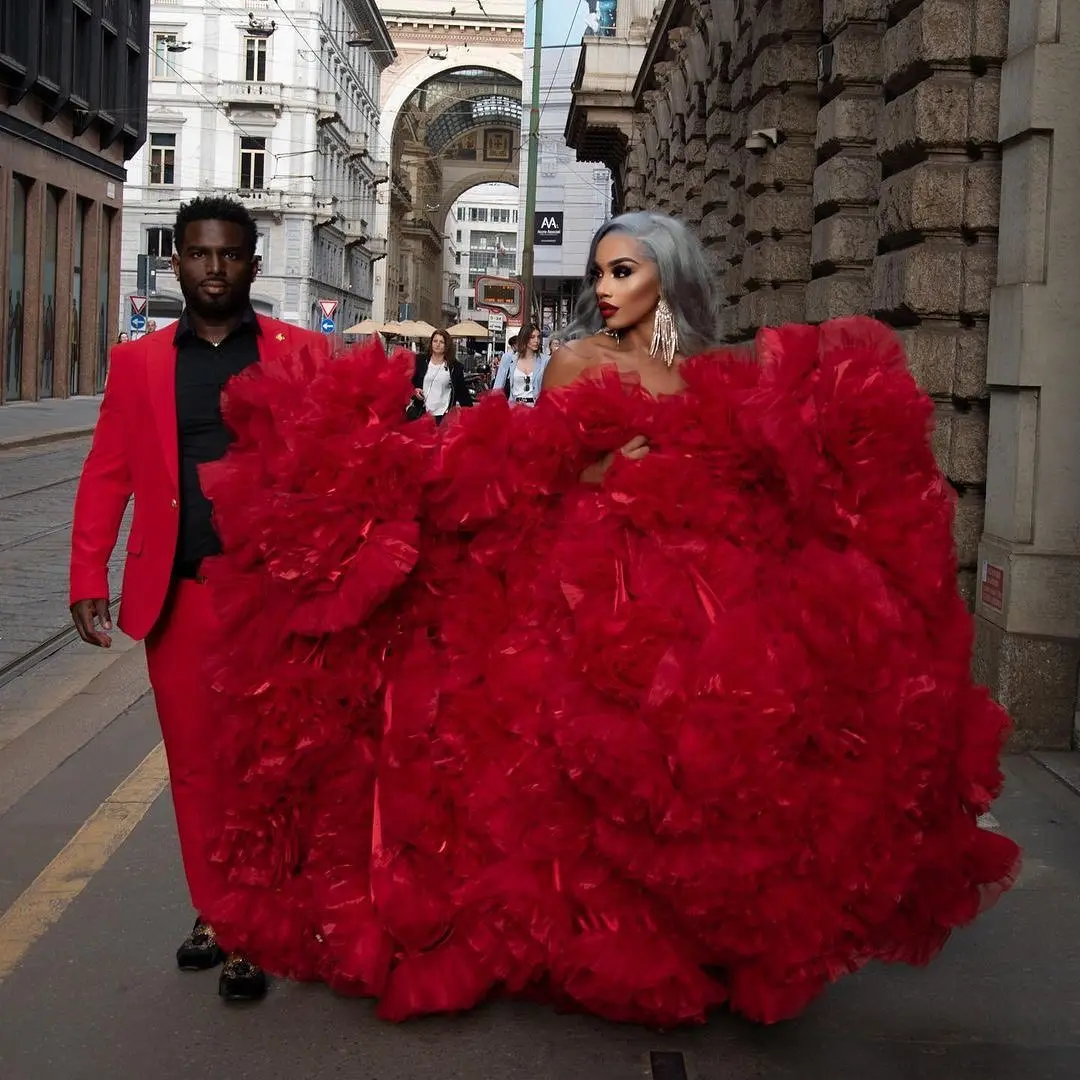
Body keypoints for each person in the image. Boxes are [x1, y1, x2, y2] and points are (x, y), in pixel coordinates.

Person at [197, 211, 1019, 1026]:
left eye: (622, 271)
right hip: (583, 589)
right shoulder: (572, 362)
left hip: (691, 583)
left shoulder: (705, 367)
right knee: (573, 773)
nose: (604, 287)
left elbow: (744, 476)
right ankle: (585, 938)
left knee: (698, 763)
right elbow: (532, 476)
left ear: (669, 273)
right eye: (598, 272)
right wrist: (602, 468)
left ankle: (694, 937)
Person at [68, 195, 331, 1004]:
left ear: (254, 262)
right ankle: (216, 914)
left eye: (228, 254)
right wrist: (87, 574)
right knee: (194, 770)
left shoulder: (303, 353)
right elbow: (108, 472)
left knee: (268, 769)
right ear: (175, 260)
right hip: (178, 597)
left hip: (274, 603)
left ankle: (257, 925)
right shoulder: (140, 363)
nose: (213, 268)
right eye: (197, 254)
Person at [409, 328, 473, 424]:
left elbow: (462, 392)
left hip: (443, 417)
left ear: (446, 345)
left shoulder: (454, 367)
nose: (437, 344)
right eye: (435, 341)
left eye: (441, 342)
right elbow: (409, 383)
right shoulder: (420, 361)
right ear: (431, 343)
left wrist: (471, 415)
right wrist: (415, 391)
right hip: (421, 414)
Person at [492, 323, 549, 405]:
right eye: (532, 337)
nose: (536, 340)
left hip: (536, 410)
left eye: (538, 337)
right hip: (514, 410)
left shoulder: (545, 360)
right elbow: (497, 388)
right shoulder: (508, 358)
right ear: (524, 338)